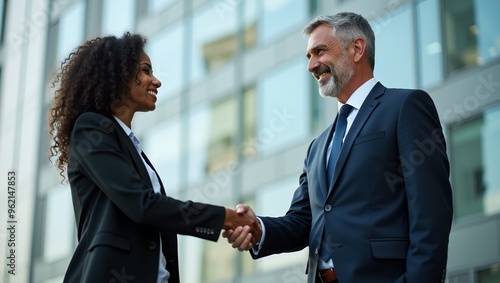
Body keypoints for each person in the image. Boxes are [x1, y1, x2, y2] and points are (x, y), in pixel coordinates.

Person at [224, 12, 453, 283]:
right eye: (308, 57)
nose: (311, 65)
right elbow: (304, 221)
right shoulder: (317, 147)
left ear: (357, 49)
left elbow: (430, 217)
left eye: (319, 52)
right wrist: (258, 228)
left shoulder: (405, 107)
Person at [48, 32, 261, 283]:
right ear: (118, 75)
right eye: (146, 71)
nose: (156, 81)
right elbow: (143, 205)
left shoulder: (130, 146)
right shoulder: (91, 129)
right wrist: (225, 218)